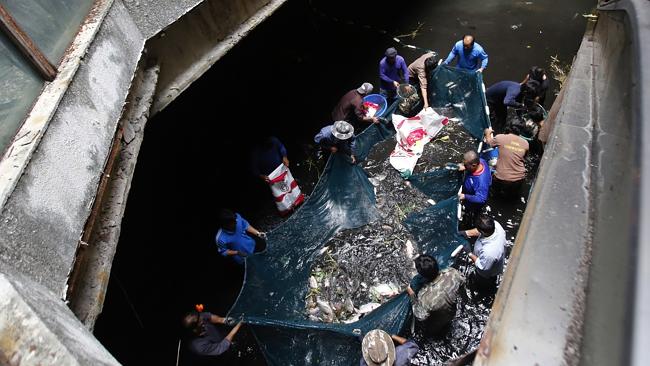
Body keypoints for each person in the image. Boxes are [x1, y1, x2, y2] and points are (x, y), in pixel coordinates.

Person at [408, 255, 465, 335]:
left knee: (432, 331)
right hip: (453, 311)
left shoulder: (424, 297)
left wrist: (412, 295)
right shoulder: (452, 273)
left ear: (422, 275)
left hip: (438, 323)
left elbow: (420, 316)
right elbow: (462, 281)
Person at [484, 120, 530, 198]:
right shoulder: (525, 143)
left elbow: (489, 142)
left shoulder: (500, 138)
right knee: (512, 196)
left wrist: (487, 133)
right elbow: (524, 157)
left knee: (495, 194)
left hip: (501, 177)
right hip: (519, 178)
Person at [460, 214, 506, 287]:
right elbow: (483, 231)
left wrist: (469, 253)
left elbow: (482, 267)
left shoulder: (489, 252)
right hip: (488, 260)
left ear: (483, 232)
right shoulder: (496, 225)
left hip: (486, 274)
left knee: (480, 284)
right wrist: (466, 233)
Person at [458, 150, 491, 222]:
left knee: (471, 216)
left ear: (474, 165)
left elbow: (481, 198)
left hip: (473, 203)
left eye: (466, 165)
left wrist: (465, 196)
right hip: (468, 190)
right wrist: (464, 167)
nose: (464, 166)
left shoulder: (480, 181)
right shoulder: (481, 161)